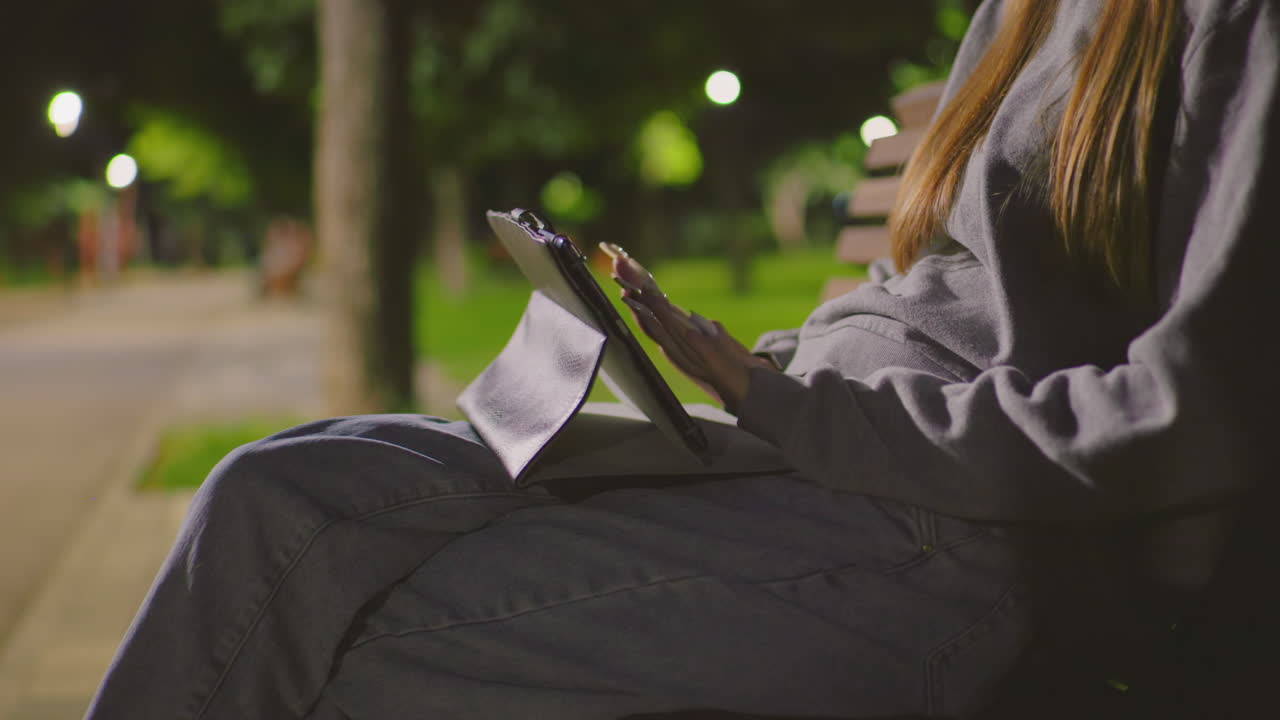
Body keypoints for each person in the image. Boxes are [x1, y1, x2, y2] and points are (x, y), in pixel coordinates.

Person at [87, 0, 1277, 717]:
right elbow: (927, 293)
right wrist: (746, 372)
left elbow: (1192, 411)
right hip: (799, 451)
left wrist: (791, 408)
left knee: (354, 667)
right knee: (270, 494)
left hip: (946, 530)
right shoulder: (1026, 13)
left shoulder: (1228, 27)